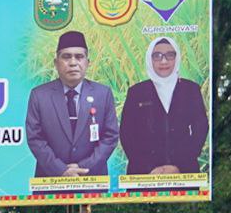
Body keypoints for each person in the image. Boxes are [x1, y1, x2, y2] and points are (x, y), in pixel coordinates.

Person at [25, 30, 120, 178]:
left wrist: (84, 167)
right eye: (66, 57)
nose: (73, 63)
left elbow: (110, 136)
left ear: (87, 63)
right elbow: (35, 138)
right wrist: (60, 169)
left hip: (92, 179)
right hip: (51, 180)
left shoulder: (103, 94)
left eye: (79, 57)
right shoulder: (39, 95)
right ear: (56, 63)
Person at [119, 37, 209, 174]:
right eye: (157, 56)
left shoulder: (191, 90)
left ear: (177, 58)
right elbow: (127, 133)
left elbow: (200, 129)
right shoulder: (136, 92)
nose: (164, 61)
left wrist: (179, 166)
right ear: (150, 59)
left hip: (184, 172)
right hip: (143, 174)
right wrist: (149, 168)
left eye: (170, 55)